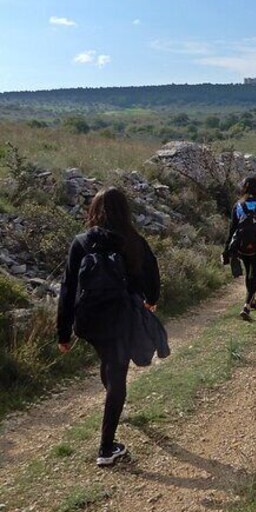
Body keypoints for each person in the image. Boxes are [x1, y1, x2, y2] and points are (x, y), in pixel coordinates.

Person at [57, 186, 161, 467]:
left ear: (94, 211)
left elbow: (67, 289)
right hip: (122, 319)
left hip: (89, 322)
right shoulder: (133, 240)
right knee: (118, 376)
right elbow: (152, 275)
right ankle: (106, 448)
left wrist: (63, 333)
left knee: (109, 362)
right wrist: (151, 301)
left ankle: (113, 407)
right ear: (125, 211)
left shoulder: (81, 242)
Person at [223, 176, 256, 321]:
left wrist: (227, 248)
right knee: (255, 274)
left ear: (243, 189)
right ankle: (246, 305)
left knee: (248, 273)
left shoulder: (238, 206)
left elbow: (232, 229)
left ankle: (252, 300)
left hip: (242, 247)